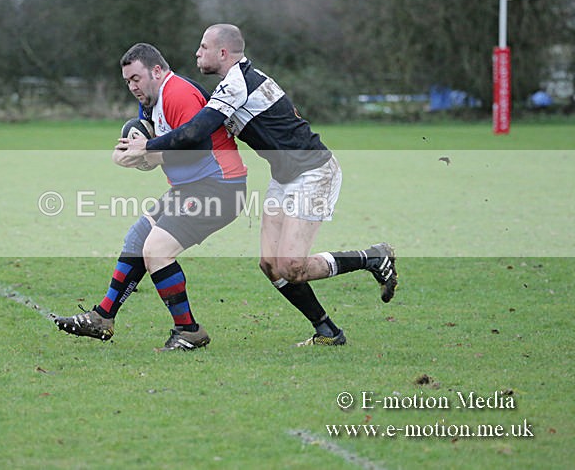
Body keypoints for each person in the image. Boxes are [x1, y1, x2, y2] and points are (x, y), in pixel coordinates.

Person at [123, 24, 397, 347]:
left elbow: (197, 130)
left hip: (314, 171)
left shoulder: (236, 84)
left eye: (203, 47)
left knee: (291, 266)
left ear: (222, 52)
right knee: (271, 265)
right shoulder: (232, 84)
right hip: (285, 177)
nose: (197, 53)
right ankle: (328, 331)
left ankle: (372, 257)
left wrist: (148, 147)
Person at [53, 42, 247, 351]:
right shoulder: (150, 103)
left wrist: (146, 155)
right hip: (191, 188)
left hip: (220, 187)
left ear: (156, 71)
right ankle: (102, 317)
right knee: (137, 239)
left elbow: (197, 149)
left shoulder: (178, 94)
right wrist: (132, 156)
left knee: (157, 249)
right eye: (127, 81)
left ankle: (188, 331)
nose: (132, 86)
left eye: (136, 78)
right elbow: (156, 150)